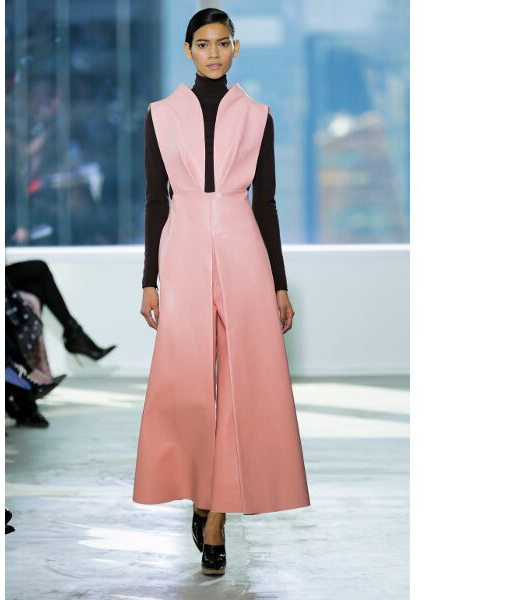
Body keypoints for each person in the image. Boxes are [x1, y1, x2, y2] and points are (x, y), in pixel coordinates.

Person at [133, 8, 311, 576]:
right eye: (203, 44)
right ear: (188, 50)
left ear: (236, 48)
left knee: (242, 385)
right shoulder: (160, 115)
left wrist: (279, 282)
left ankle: (216, 520)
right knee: (187, 382)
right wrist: (149, 279)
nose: (214, 52)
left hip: (243, 250)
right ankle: (199, 489)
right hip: (183, 250)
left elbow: (267, 204)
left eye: (223, 43)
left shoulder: (258, 116)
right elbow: (155, 200)